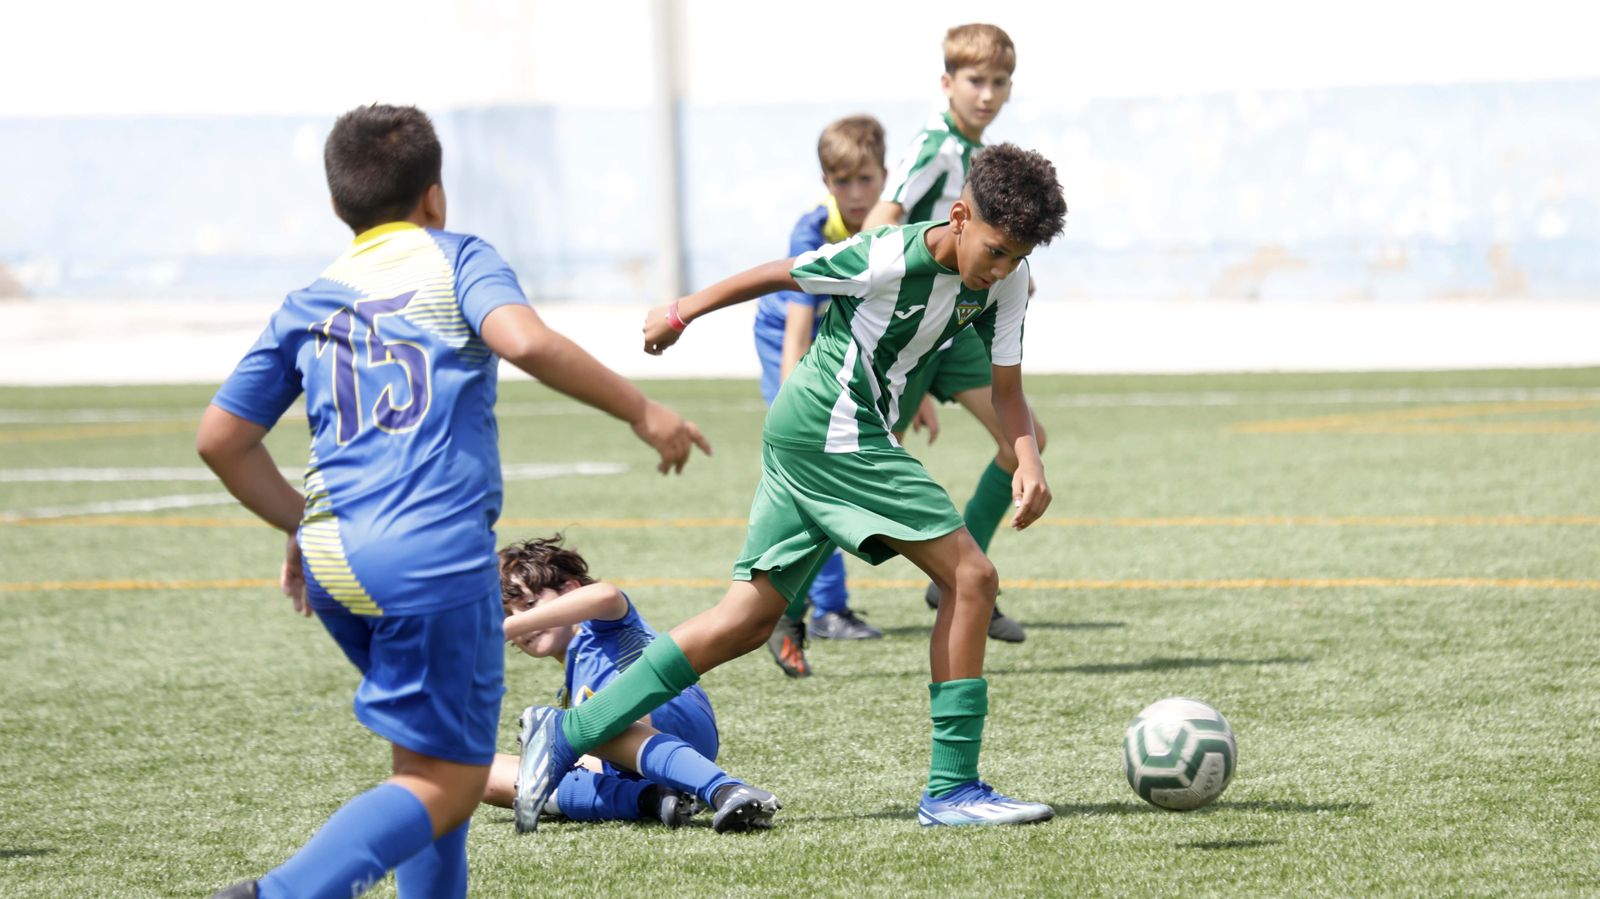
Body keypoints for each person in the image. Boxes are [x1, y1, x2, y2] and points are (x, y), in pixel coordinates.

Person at [202, 104, 710, 899]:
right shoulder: (457, 257)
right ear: (435, 197)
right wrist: (644, 410)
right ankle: (281, 893)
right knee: (452, 780)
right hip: (430, 557)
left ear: (339, 205)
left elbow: (221, 439)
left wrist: (303, 523)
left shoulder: (311, 299)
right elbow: (525, 340)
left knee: (428, 763)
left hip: (336, 560)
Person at [519, 142, 1068, 828]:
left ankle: (567, 732)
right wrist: (681, 312)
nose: (1003, 268)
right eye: (996, 251)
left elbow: (1008, 391)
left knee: (745, 622)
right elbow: (780, 273)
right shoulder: (885, 256)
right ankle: (953, 788)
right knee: (972, 577)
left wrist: (1028, 459)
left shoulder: (1008, 280)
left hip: (812, 432)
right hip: (830, 426)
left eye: (1018, 256)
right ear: (960, 217)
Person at [861, 23, 1044, 644]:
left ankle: (959, 581)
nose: (987, 94)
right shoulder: (933, 146)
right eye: (975, 80)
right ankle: (790, 608)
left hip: (954, 326)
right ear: (947, 82)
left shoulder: (980, 157)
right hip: (907, 325)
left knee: (1025, 441)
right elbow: (883, 220)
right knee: (861, 465)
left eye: (999, 82)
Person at [483, 536, 778, 833]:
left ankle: (725, 789)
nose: (520, 620)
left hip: (673, 715)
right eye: (507, 613)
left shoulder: (600, 625)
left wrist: (506, 627)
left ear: (570, 589)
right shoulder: (571, 680)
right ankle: (653, 800)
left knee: (589, 723)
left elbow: (606, 595)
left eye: (529, 605)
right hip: (637, 759)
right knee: (482, 773)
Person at [753, 115, 890, 678]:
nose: (855, 194)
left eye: (866, 179)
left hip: (840, 339)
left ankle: (820, 604)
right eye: (842, 182)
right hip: (785, 334)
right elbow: (796, 327)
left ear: (885, 176)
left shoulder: (890, 225)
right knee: (817, 465)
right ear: (826, 183)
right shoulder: (811, 232)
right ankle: (824, 607)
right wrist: (791, 402)